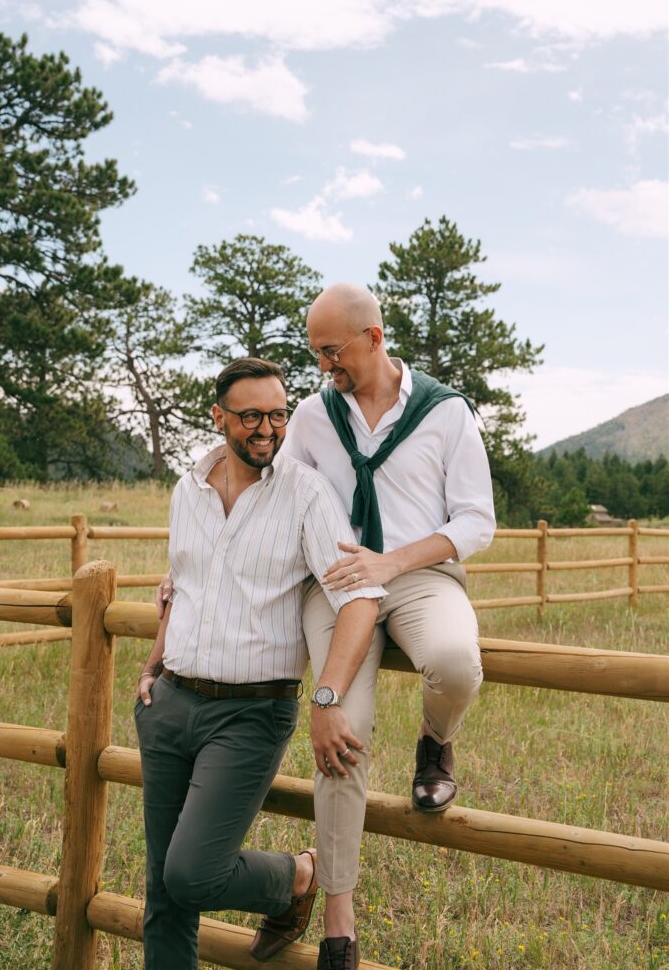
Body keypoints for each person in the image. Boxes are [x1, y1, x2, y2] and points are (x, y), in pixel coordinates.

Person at [138, 356, 382, 970]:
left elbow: (358, 600)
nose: (266, 428)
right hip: (170, 703)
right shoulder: (186, 488)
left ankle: (297, 878)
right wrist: (150, 667)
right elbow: (182, 586)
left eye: (277, 414)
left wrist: (327, 697)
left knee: (191, 873)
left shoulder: (305, 494)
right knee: (163, 893)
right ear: (218, 417)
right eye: (251, 416)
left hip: (250, 714)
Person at [281, 282, 496, 965]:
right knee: (345, 723)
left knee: (456, 662)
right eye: (314, 352)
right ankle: (338, 919)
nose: (322, 366)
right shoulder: (313, 418)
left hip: (418, 574)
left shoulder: (446, 412)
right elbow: (276, 496)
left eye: (332, 350)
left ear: (374, 338)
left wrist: (392, 562)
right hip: (337, 584)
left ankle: (435, 743)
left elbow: (475, 520)